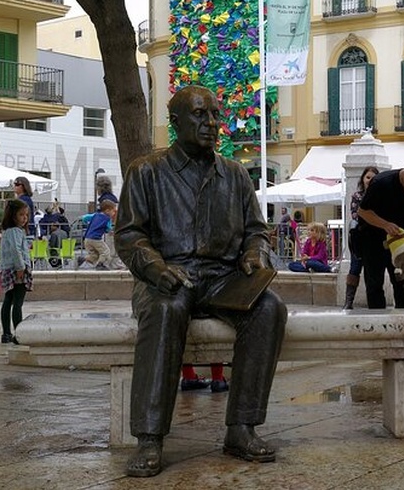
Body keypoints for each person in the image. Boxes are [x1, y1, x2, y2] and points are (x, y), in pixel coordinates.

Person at [114, 85, 287, 477]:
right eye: (199, 115)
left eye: (215, 116)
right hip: (165, 276)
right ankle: (149, 436)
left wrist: (253, 253)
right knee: (165, 309)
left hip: (222, 279)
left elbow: (256, 230)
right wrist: (157, 268)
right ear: (176, 122)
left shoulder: (235, 173)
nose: (211, 124)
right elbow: (128, 236)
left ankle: (241, 427)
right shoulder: (146, 171)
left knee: (270, 308)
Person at [357, 161, 404, 309]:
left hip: (400, 241)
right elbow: (363, 211)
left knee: (403, 283)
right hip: (373, 238)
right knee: (374, 284)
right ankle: (377, 323)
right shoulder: (381, 182)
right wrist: (385, 224)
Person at [0, 199, 33, 345]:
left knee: (8, 301)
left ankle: (6, 333)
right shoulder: (15, 232)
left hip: (8, 268)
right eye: (21, 215)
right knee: (17, 302)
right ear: (13, 216)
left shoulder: (7, 232)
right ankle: (18, 333)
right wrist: (21, 268)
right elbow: (15, 250)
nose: (24, 218)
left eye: (26, 215)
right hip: (17, 269)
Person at [344, 166, 378, 309]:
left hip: (375, 238)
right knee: (355, 268)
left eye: (373, 178)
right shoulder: (357, 196)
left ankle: (374, 302)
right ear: (363, 179)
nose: (370, 180)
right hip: (359, 238)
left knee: (373, 271)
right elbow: (356, 215)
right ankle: (348, 302)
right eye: (368, 177)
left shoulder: (380, 196)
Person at [84, 200, 117, 269]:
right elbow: (108, 229)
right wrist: (111, 232)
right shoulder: (107, 219)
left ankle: (82, 259)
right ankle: (100, 265)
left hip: (87, 239)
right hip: (96, 239)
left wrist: (87, 224)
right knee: (106, 252)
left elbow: (84, 218)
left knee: (95, 256)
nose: (114, 213)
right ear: (107, 211)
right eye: (113, 211)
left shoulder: (95, 215)